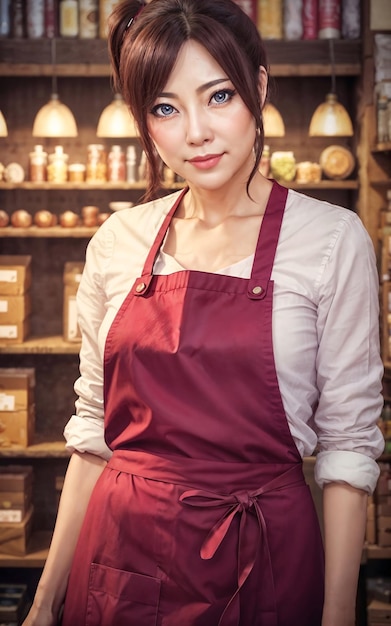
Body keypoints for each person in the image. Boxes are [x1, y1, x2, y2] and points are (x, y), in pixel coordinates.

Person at [23, 1, 385, 625]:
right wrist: (41, 606)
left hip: (265, 553)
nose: (196, 132)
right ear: (145, 121)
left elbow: (348, 450)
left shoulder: (332, 239)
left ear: (259, 88)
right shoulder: (120, 239)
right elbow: (93, 434)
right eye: (166, 108)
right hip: (120, 557)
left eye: (218, 96)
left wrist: (338, 617)